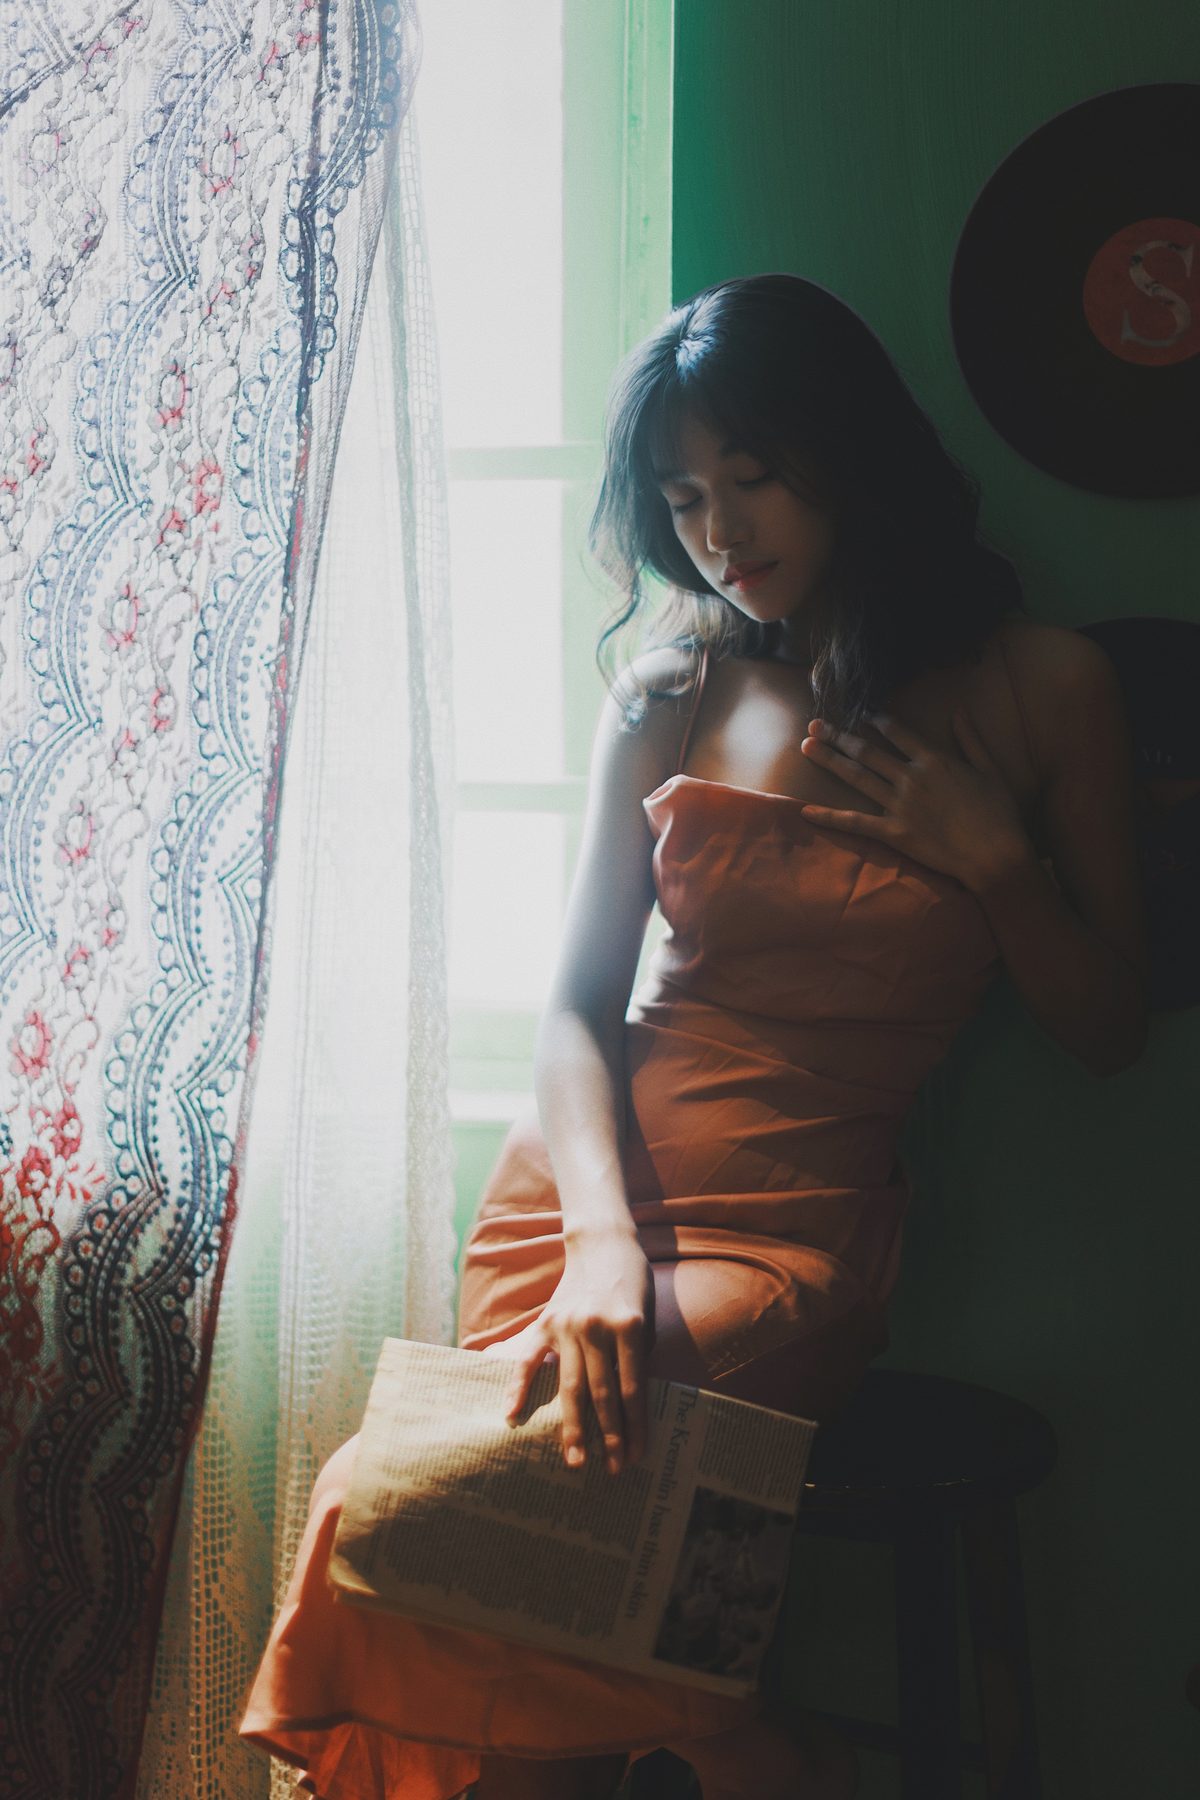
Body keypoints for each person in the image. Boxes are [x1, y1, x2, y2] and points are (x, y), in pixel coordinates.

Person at [239, 274, 1148, 1800]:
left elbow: (1110, 1030)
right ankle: (735, 1742)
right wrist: (602, 1250)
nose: (721, 532)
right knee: (494, 1570)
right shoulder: (672, 688)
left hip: (789, 1235)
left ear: (850, 454)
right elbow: (575, 1005)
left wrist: (996, 863)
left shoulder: (1046, 687)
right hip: (580, 1206)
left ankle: (741, 1743)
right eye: (681, 499)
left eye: (754, 476)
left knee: (439, 1501)